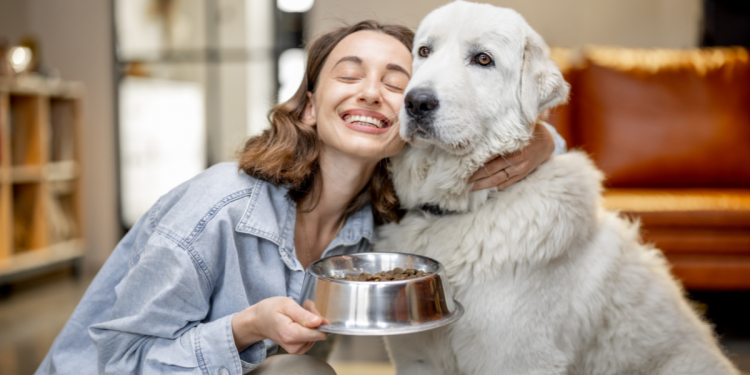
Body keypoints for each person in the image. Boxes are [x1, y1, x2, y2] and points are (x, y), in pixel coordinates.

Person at [36, 20, 565, 375]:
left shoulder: (386, 222)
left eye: (396, 84)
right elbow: (117, 362)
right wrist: (245, 329)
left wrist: (543, 140)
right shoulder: (218, 208)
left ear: (412, 119)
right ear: (310, 108)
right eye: (349, 75)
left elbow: (492, 156)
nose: (371, 93)